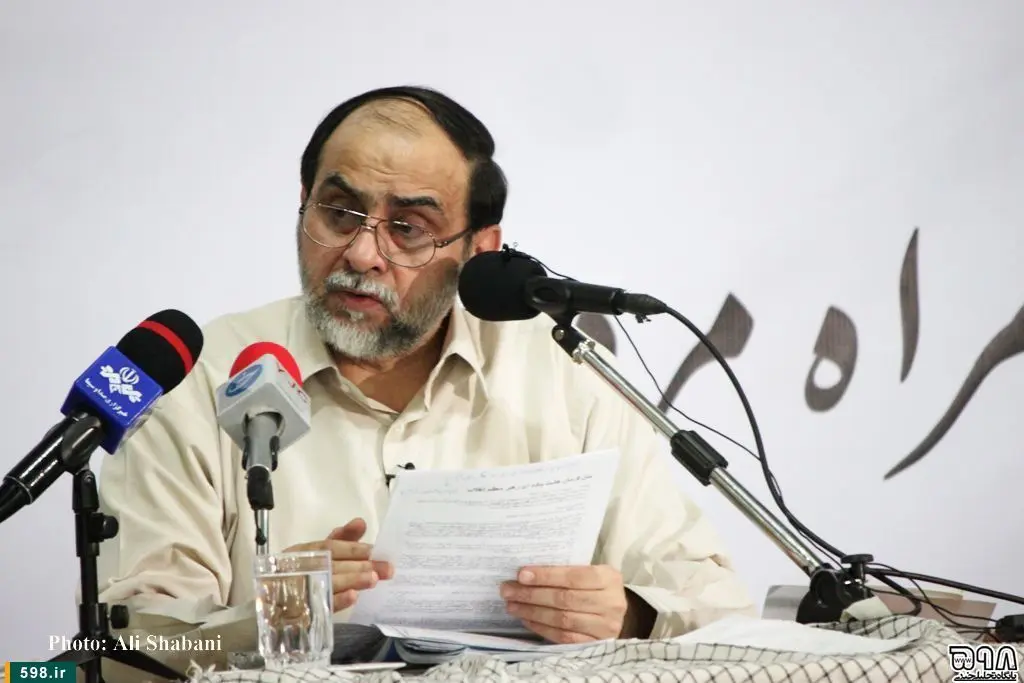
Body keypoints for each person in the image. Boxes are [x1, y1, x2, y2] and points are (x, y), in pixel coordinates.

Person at [94, 85, 754, 675]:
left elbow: (719, 607)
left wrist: (630, 615)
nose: (361, 253)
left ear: (480, 250)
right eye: (339, 212)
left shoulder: (567, 379)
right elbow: (124, 645)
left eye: (408, 228)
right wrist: (268, 618)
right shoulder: (199, 377)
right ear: (303, 204)